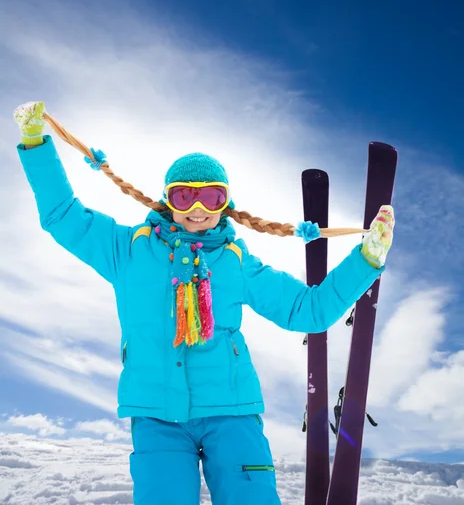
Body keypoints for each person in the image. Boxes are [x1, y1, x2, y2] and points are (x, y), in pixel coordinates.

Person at [14, 101, 395, 505]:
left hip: (231, 413)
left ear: (225, 203)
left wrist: (366, 260)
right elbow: (62, 216)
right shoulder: (127, 249)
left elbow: (308, 310)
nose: (197, 210)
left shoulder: (236, 261)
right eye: (184, 197)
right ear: (167, 200)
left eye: (211, 198)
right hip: (156, 415)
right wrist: (36, 143)